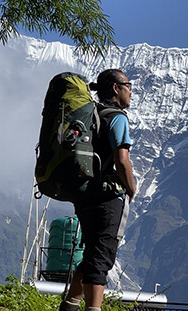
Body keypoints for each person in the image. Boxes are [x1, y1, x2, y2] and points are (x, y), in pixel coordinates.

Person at [60, 69, 136, 311]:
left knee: (93, 253)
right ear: (116, 88)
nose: (130, 90)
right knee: (101, 258)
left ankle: (70, 306)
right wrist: (131, 188)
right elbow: (122, 160)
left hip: (84, 195)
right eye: (128, 85)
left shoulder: (92, 115)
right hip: (106, 198)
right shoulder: (117, 118)